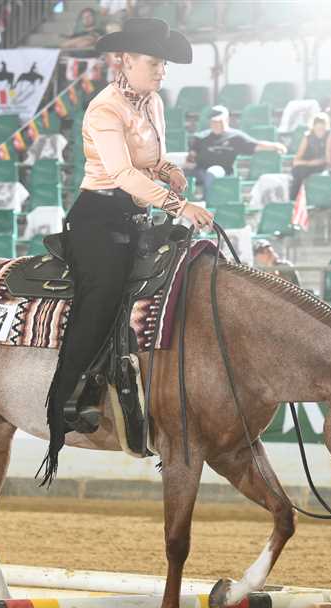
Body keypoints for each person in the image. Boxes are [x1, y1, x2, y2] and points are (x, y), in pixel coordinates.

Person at [43, 17, 214, 481]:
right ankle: (68, 398)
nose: (163, 71)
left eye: (164, 64)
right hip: (98, 217)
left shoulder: (153, 102)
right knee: (102, 293)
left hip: (136, 216)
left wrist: (168, 169)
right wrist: (179, 205)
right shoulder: (105, 109)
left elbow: (148, 161)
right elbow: (120, 173)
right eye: (155, 63)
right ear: (127, 61)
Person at [185, 105, 286, 196]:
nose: (216, 124)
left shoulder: (235, 137)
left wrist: (275, 146)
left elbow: (256, 145)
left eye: (219, 121)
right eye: (213, 121)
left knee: (214, 171)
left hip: (225, 173)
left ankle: (207, 201)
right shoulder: (200, 137)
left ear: (227, 119)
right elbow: (190, 159)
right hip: (201, 172)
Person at [290, 113, 331, 199]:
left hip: (321, 166)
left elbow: (328, 158)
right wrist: (309, 163)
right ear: (313, 128)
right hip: (307, 164)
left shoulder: (329, 136)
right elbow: (296, 161)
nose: (320, 132)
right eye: (318, 129)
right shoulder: (308, 137)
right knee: (299, 172)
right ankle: (294, 199)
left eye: (322, 129)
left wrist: (320, 162)